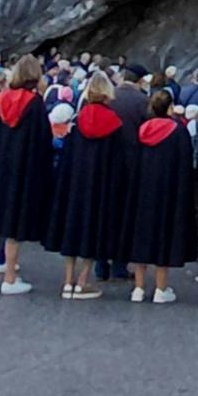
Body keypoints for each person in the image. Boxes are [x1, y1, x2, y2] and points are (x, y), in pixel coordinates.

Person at [48, 72, 130, 300]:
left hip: (76, 183)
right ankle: (83, 281)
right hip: (101, 185)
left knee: (72, 228)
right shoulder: (114, 123)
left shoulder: (79, 118)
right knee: (93, 231)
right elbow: (118, 161)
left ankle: (68, 281)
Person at [0, 55, 55, 295]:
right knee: (14, 228)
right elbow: (43, 141)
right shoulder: (34, 104)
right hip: (22, 169)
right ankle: (10, 277)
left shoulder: (0, 99)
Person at [123, 88, 197, 304]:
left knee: (141, 235)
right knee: (164, 236)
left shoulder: (142, 130)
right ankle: (161, 288)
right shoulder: (178, 131)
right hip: (168, 190)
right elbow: (185, 164)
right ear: (170, 107)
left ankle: (138, 288)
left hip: (142, 190)